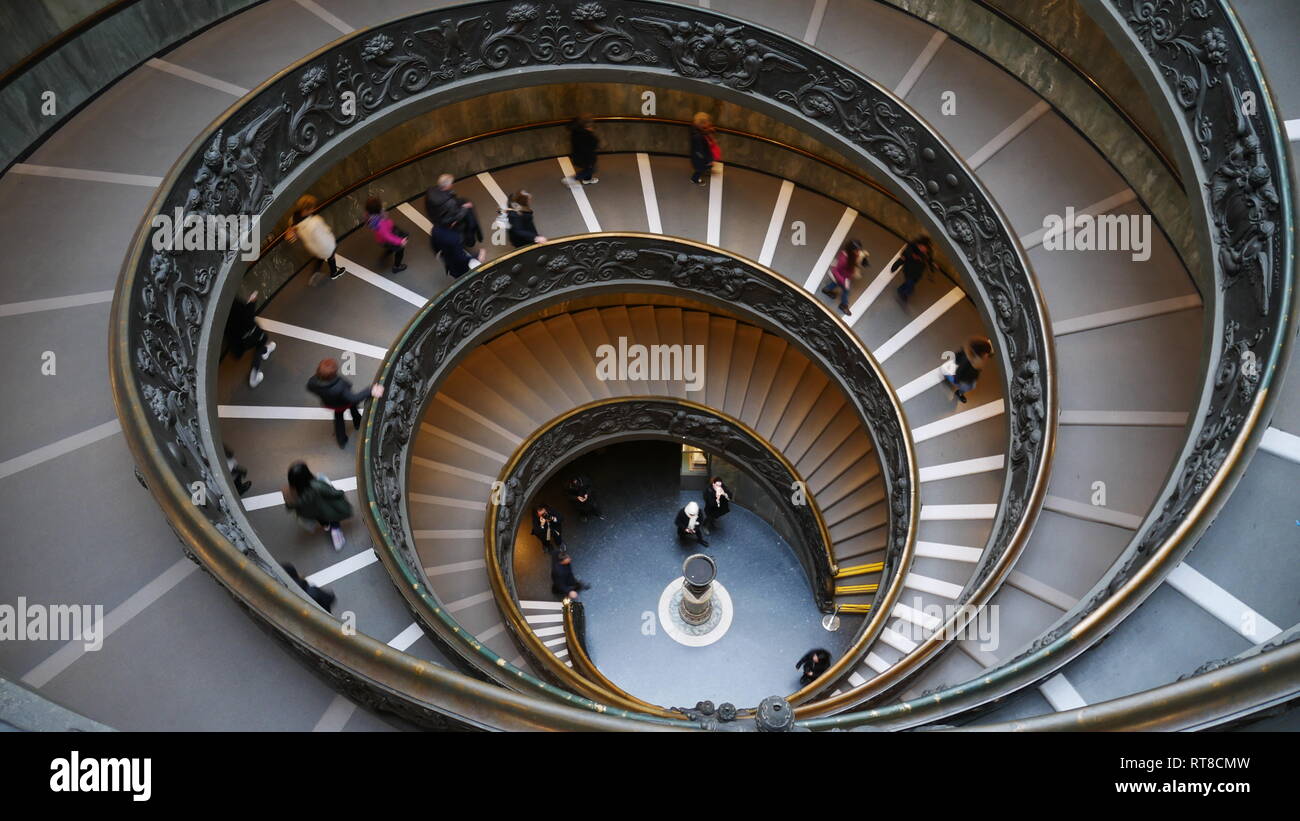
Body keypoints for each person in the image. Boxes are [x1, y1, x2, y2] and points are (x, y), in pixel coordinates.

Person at [305, 358, 384, 448]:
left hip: (330, 404)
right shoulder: (340, 387)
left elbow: (309, 387)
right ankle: (358, 423)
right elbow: (353, 399)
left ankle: (341, 441)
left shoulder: (313, 382)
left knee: (339, 419)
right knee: (353, 409)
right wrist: (370, 391)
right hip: (344, 402)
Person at [283, 461, 353, 551]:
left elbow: (289, 507)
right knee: (333, 519)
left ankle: (326, 526)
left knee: (322, 520)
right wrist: (341, 492)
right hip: (326, 509)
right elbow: (333, 493)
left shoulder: (290, 493)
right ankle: (335, 532)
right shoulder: (317, 486)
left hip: (311, 514)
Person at [425, 174, 485, 277]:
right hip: (458, 268)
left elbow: (434, 246)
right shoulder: (454, 238)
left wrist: (439, 254)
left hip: (448, 260)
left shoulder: (435, 230)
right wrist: (477, 256)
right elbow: (460, 258)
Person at [286, 194, 346, 284]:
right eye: (312, 208)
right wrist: (332, 246)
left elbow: (294, 233)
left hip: (312, 246)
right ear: (307, 209)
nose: (314, 209)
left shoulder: (292, 219)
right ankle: (334, 273)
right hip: (324, 246)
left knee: (319, 257)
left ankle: (315, 272)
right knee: (330, 256)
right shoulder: (315, 221)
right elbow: (324, 234)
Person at [224, 290, 276, 388]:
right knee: (263, 340)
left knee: (261, 341)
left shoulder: (221, 314)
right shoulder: (232, 303)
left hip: (238, 340)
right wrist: (252, 301)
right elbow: (247, 317)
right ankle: (254, 376)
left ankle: (265, 351)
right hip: (250, 332)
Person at [821, 239, 868, 316]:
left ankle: (826, 290)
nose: (858, 252)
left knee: (835, 284)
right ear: (851, 250)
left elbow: (858, 258)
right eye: (857, 250)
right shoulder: (844, 260)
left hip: (845, 276)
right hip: (841, 277)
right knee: (846, 291)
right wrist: (843, 281)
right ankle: (843, 305)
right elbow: (835, 271)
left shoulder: (853, 254)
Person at [364, 196, 407, 274]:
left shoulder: (370, 216)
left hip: (381, 238)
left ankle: (385, 255)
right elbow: (388, 236)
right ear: (378, 208)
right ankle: (397, 267)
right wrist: (400, 241)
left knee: (390, 248)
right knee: (400, 250)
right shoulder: (381, 223)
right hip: (386, 238)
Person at [944, 336, 993, 404]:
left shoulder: (972, 352)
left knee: (971, 386)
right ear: (980, 354)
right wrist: (956, 380)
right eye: (986, 354)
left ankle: (958, 390)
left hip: (967, 376)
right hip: (961, 377)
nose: (986, 356)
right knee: (968, 387)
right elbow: (960, 371)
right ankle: (957, 390)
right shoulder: (969, 362)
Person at [893, 235, 936, 301]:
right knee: (910, 285)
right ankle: (904, 293)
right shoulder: (911, 249)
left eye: (924, 247)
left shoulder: (927, 253)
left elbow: (930, 261)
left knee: (911, 283)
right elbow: (903, 258)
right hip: (909, 270)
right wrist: (895, 266)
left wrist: (932, 267)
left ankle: (901, 289)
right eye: (921, 246)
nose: (923, 249)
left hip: (917, 273)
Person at [567, 115, 599, 185]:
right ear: (586, 126)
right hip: (586, 157)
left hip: (578, 155)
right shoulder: (587, 135)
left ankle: (587, 180)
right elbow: (593, 144)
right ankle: (573, 179)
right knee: (590, 169)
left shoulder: (576, 132)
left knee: (589, 168)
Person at [689, 112, 720, 186]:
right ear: (701, 124)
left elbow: (702, 134)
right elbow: (699, 151)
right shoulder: (697, 136)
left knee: (701, 168)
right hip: (700, 158)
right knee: (700, 169)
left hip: (698, 156)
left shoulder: (696, 129)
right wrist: (707, 160)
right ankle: (694, 179)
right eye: (706, 122)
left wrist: (708, 131)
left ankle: (698, 174)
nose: (708, 124)